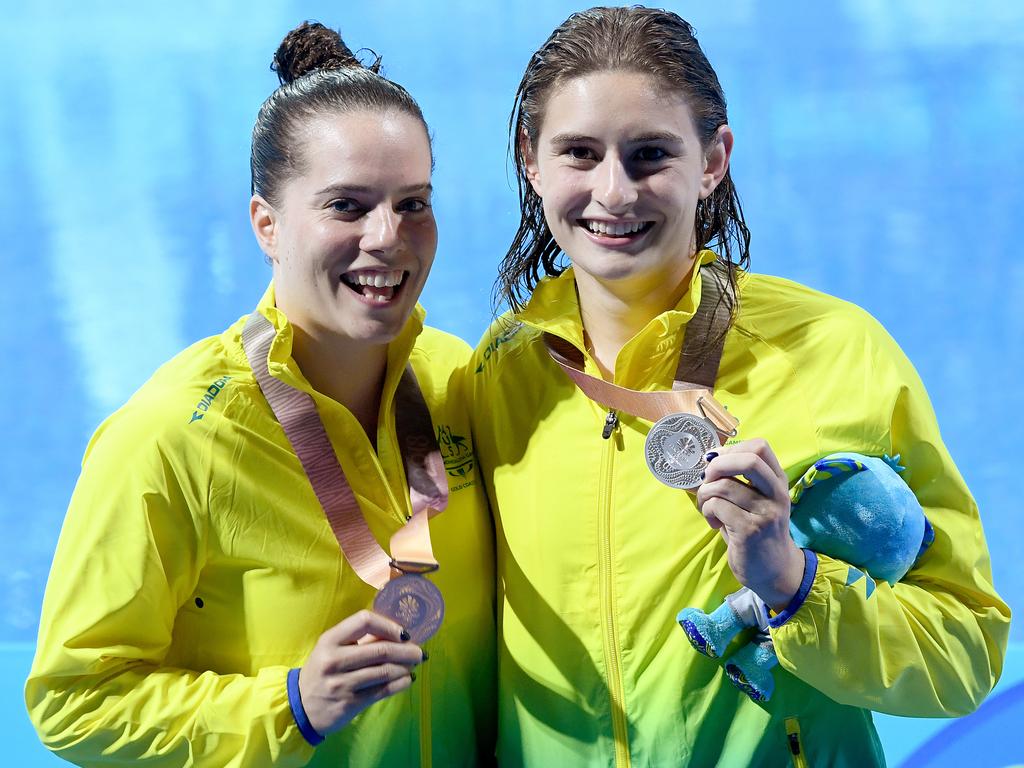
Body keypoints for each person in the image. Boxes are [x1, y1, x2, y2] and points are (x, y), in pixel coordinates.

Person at [467, 6, 1010, 766]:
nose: (614, 193)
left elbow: (964, 655)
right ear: (532, 159)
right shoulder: (500, 372)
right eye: (579, 153)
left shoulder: (833, 352)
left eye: (650, 154)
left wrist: (793, 584)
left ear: (714, 158)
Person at [26, 22, 494, 768]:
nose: (387, 237)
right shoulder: (171, 436)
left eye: (412, 202)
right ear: (267, 225)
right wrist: (293, 704)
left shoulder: (456, 381)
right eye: (347, 206)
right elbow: (75, 700)